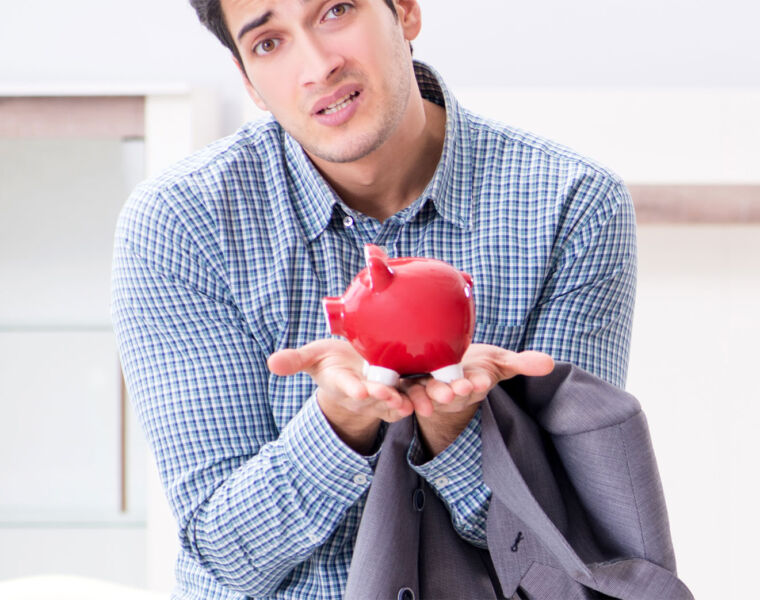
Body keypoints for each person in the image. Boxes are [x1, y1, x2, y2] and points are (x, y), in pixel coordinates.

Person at [111, 1, 637, 598]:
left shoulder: (571, 205)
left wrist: (452, 426)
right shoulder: (180, 223)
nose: (318, 67)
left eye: (336, 10)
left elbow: (565, 544)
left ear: (405, 11)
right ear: (249, 81)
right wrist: (339, 422)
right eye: (268, 43)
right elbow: (228, 553)